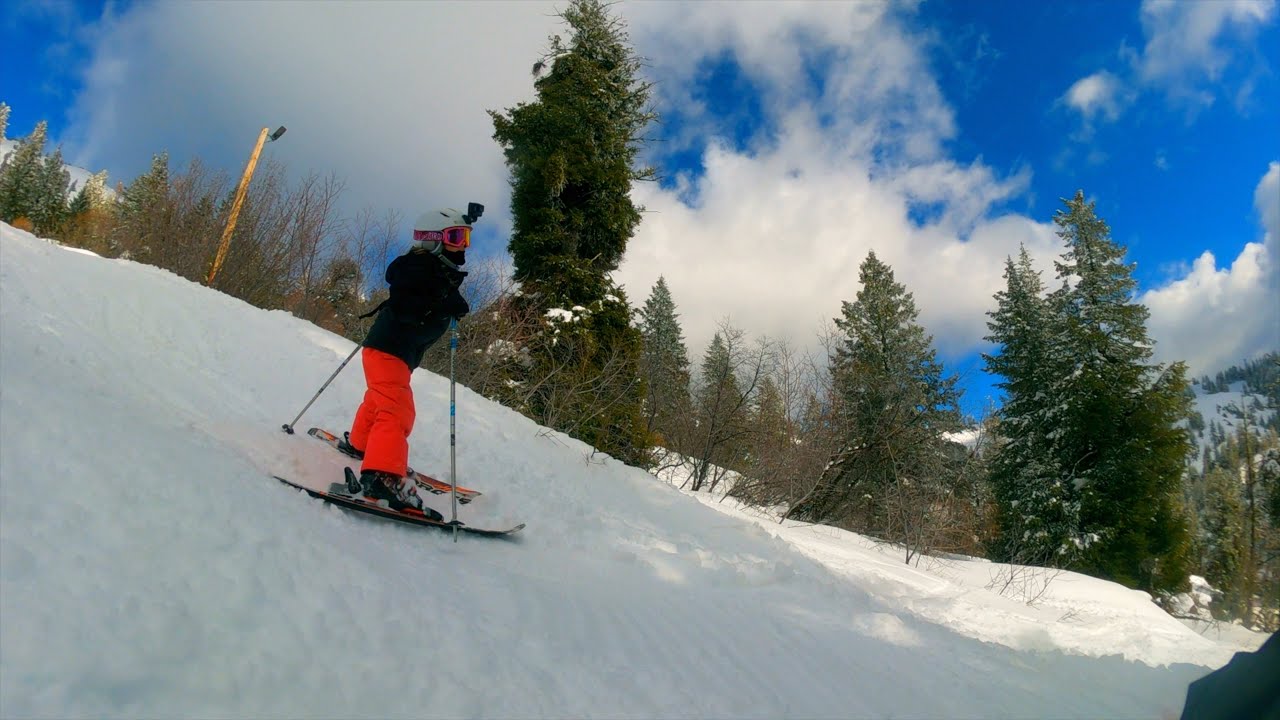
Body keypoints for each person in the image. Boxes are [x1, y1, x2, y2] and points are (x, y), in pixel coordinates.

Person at [336, 205, 480, 516]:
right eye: (456, 237)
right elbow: (409, 292)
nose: (462, 245)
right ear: (432, 240)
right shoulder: (418, 268)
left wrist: (446, 298)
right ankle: (381, 476)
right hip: (389, 349)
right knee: (397, 408)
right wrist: (445, 301)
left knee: (380, 401)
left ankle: (362, 446)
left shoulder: (435, 272)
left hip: (394, 352)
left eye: (466, 237)